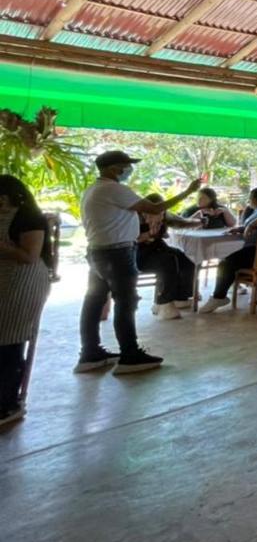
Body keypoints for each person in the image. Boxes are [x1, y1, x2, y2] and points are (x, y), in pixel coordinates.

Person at [78, 151, 200, 374]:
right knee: (125, 303)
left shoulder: (93, 190)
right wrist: (188, 192)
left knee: (94, 301)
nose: (128, 170)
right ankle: (130, 355)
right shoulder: (113, 189)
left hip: (98, 252)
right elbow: (154, 208)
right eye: (126, 166)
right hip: (117, 254)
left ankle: (90, 352)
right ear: (114, 168)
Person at [0, 175, 52, 426]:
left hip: (23, 283)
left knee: (10, 341)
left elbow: (29, 256)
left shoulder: (29, 218)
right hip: (3, 281)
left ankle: (8, 402)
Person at [198, 187, 257, 313]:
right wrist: (242, 228)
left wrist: (251, 224)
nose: (249, 201)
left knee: (227, 263)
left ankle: (218, 297)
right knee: (232, 260)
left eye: (251, 199)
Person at [137, 193, 199, 321]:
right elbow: (132, 239)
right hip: (140, 253)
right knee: (168, 262)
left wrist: (199, 221)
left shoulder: (164, 215)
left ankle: (180, 297)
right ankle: (164, 303)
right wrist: (148, 234)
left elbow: (181, 223)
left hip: (159, 248)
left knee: (185, 260)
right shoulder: (135, 218)